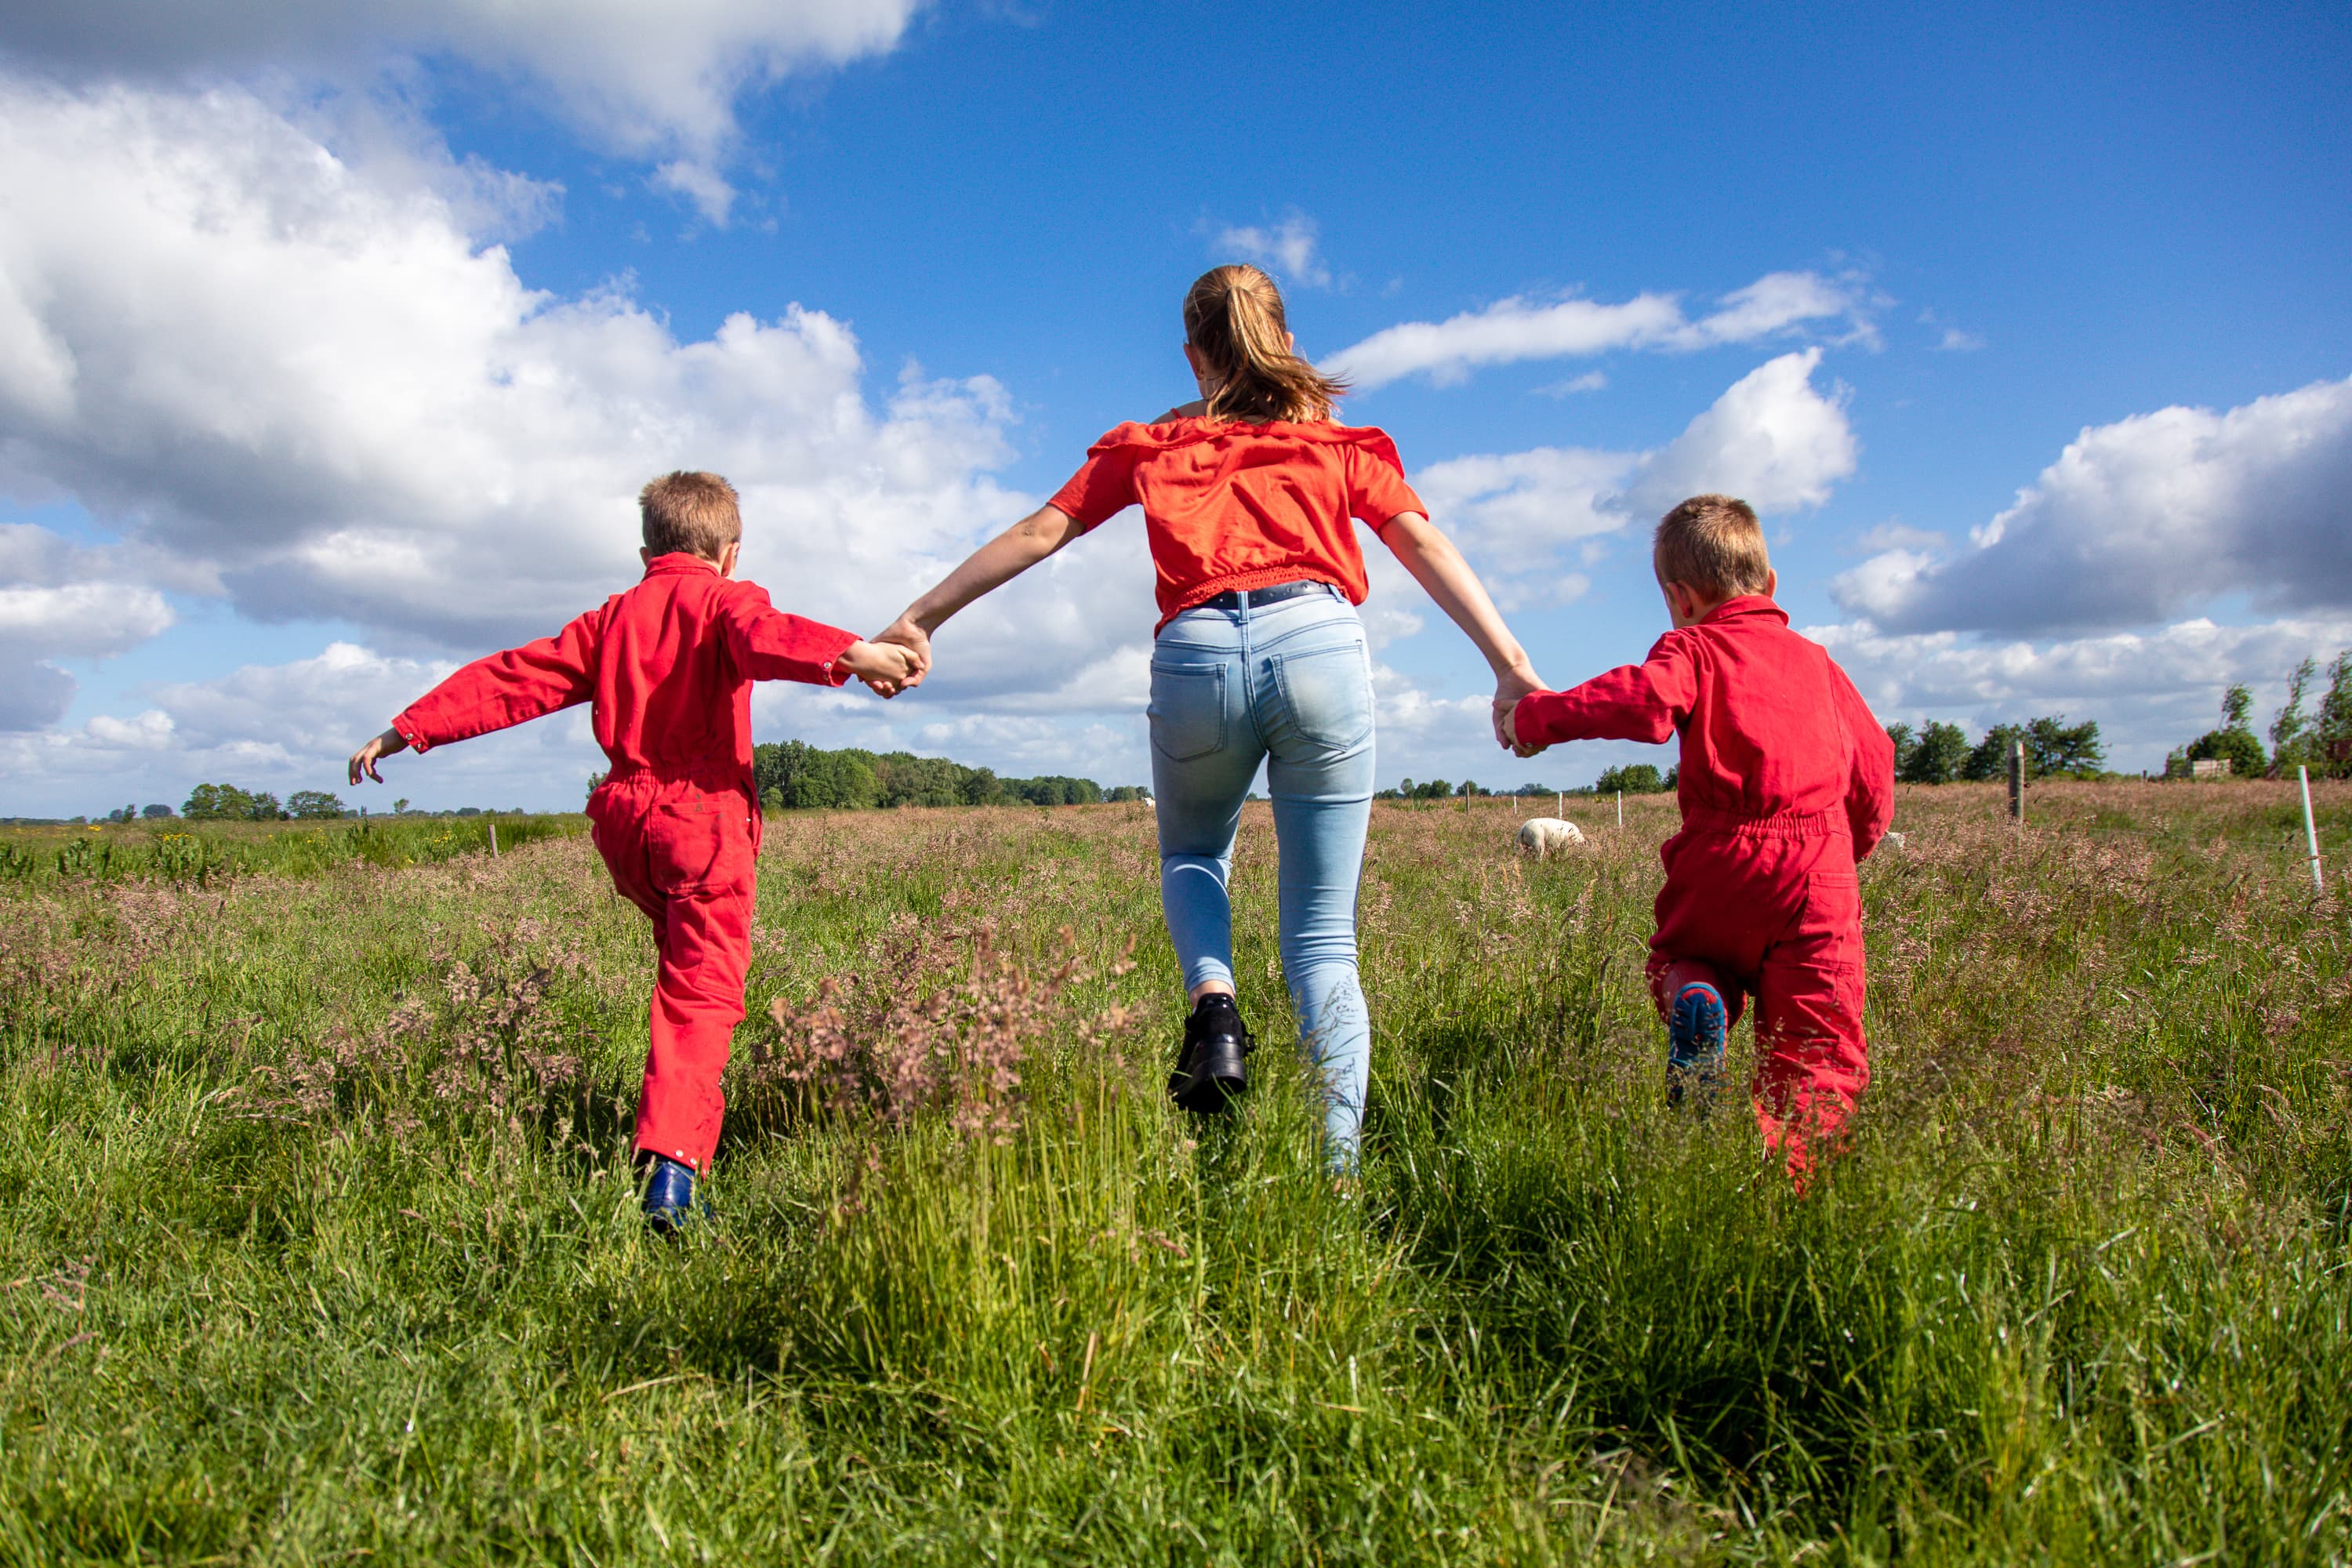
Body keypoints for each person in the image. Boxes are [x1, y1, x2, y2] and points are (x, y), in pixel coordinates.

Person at [873, 264, 1541, 1169]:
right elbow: (1419, 540)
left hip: (1195, 656)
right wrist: (1511, 665)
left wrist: (919, 617)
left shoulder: (1151, 443)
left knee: (1192, 854)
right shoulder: (1341, 445)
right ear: (1287, 341)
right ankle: (1334, 1181)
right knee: (1324, 939)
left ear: (1193, 356)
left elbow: (1041, 530)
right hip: (1318, 643)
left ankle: (1215, 1000)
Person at [345, 471, 915, 1229]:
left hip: (625, 824)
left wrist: (409, 727)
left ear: (647, 546)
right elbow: (764, 635)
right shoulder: (725, 600)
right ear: (731, 552)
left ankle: (666, 1137)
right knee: (700, 995)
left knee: (682, 974)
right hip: (700, 819)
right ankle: (671, 1182)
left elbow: (513, 677)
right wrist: (852, 654)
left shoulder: (610, 619)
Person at [1499, 494, 1894, 1185]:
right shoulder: (1822, 666)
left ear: (1678, 598)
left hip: (1721, 859)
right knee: (1817, 1051)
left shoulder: (1695, 648)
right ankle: (1803, 1196)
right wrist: (1845, 855)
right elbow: (1875, 766)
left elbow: (1643, 703)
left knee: (1685, 957)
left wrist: (1537, 717)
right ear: (1769, 585)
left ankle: (1697, 994)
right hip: (1820, 874)